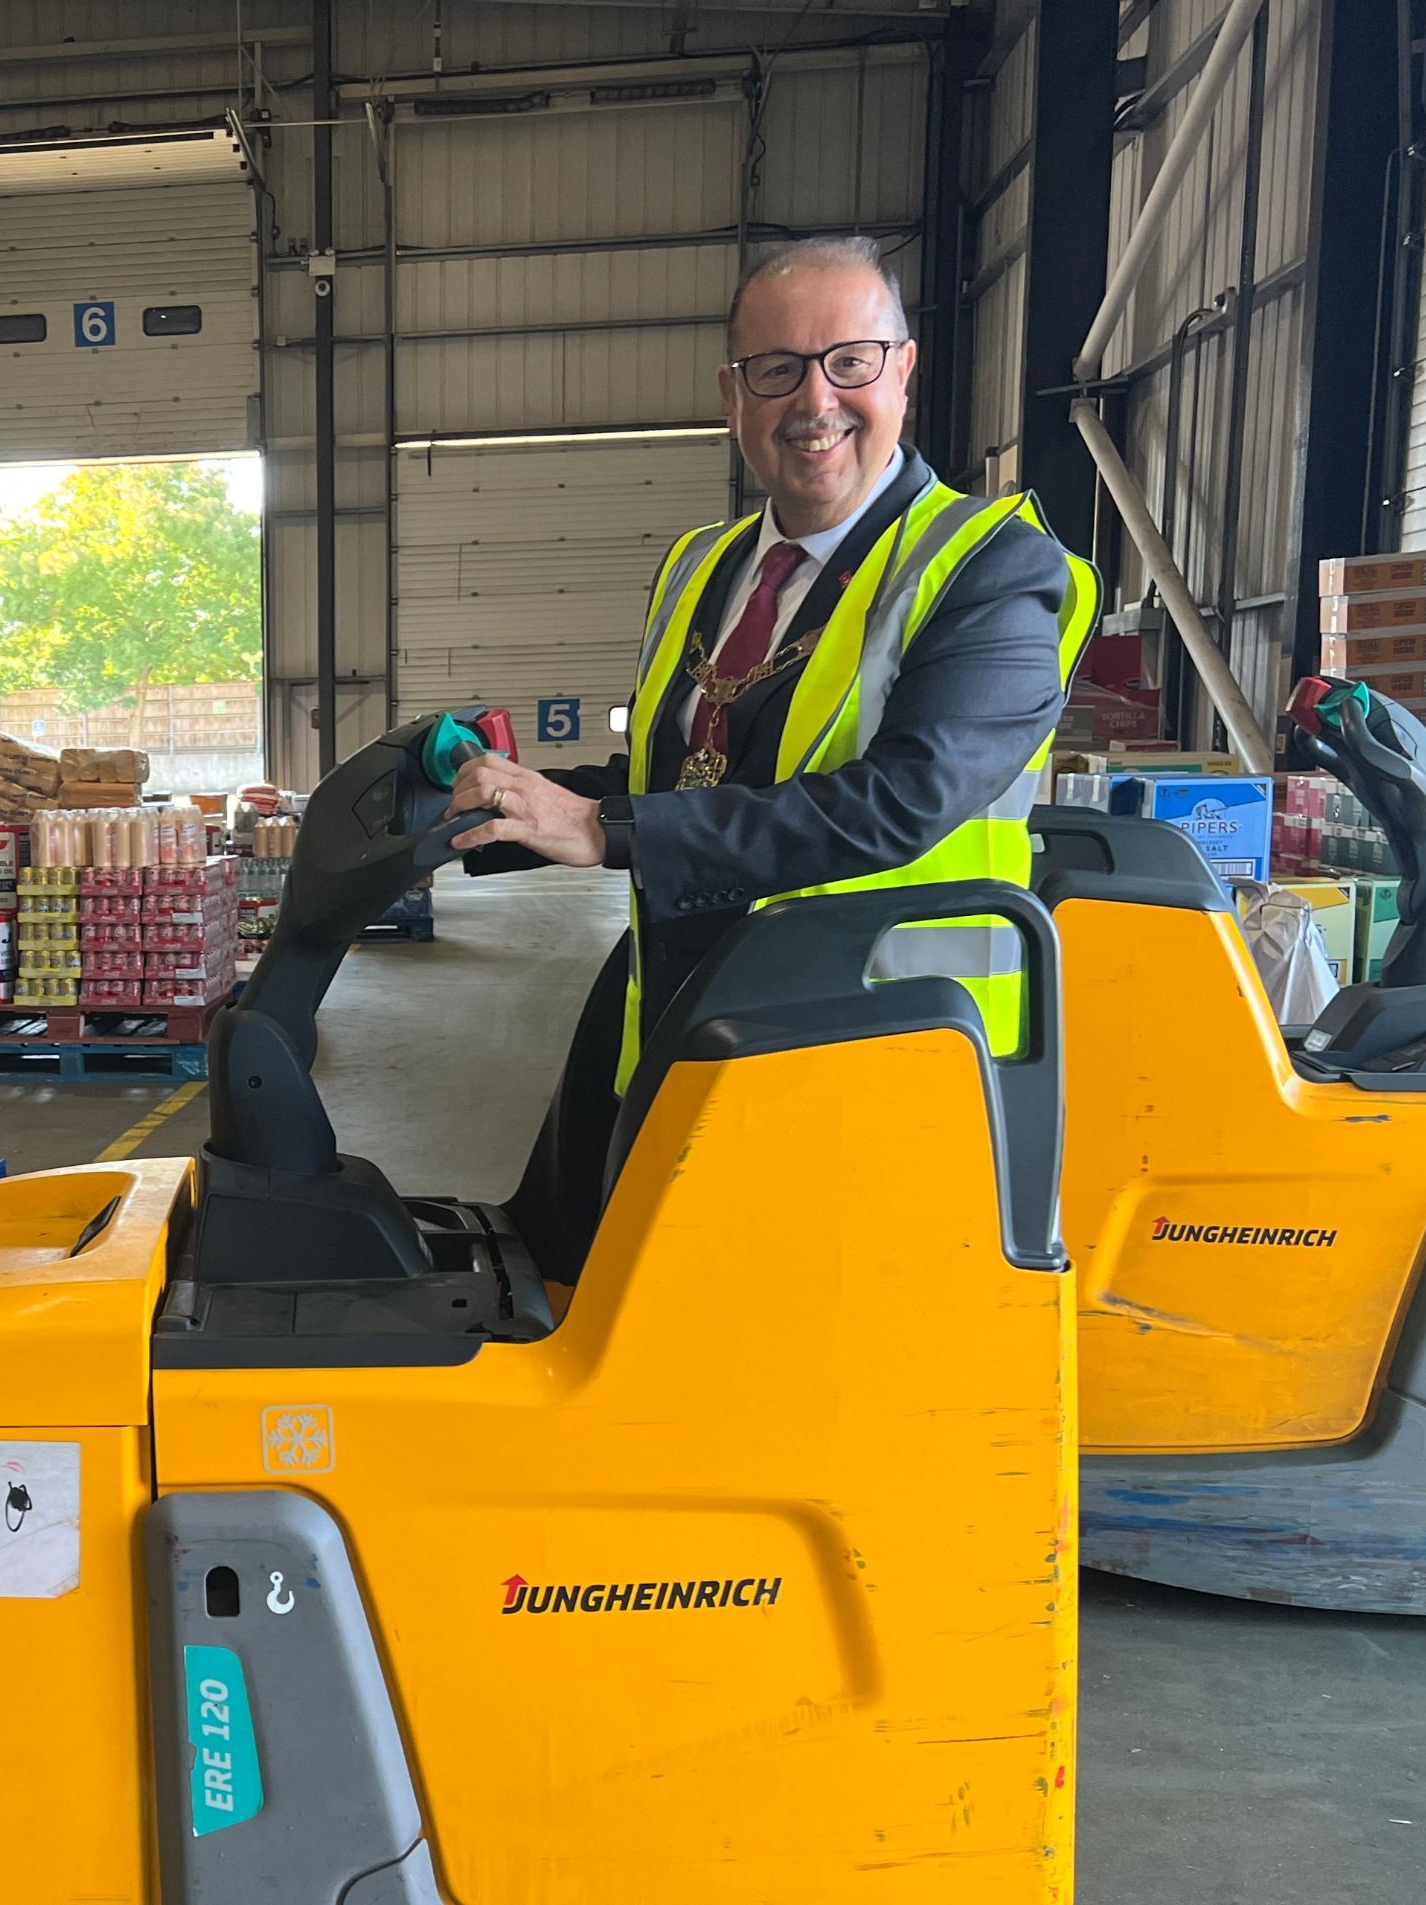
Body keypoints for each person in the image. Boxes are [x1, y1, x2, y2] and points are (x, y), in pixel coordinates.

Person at [449, 234, 1099, 1275]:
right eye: (777, 370)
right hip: (695, 1030)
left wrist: (605, 827)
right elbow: (681, 787)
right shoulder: (702, 566)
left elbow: (899, 802)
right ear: (732, 392)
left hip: (884, 1057)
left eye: (850, 361)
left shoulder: (992, 569)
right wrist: (500, 815)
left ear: (903, 369)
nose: (815, 402)